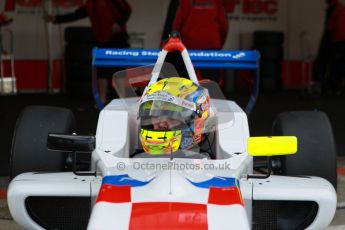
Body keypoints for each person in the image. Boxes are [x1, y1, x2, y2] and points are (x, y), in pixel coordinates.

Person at [45, 0, 131, 104]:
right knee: (101, 70)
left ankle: (123, 101)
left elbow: (127, 10)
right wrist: (56, 19)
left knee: (118, 70)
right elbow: (76, 15)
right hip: (101, 40)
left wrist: (119, 23)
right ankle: (102, 100)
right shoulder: (90, 4)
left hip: (118, 39)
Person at [135, 77, 214, 159]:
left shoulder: (213, 166)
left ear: (197, 122)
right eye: (155, 116)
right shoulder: (134, 161)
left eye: (172, 117)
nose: (161, 123)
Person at [172, 0, 228, 84]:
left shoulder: (184, 1)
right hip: (211, 45)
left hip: (189, 47)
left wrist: (179, 46)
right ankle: (210, 96)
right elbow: (223, 25)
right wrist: (219, 44)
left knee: (186, 82)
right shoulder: (217, 1)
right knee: (211, 83)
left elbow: (176, 25)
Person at [326, 0, 345, 95]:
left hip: (338, 42)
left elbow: (329, 27)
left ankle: (334, 87)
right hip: (341, 42)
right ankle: (338, 88)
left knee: (336, 66)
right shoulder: (341, 8)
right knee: (341, 66)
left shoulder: (335, 9)